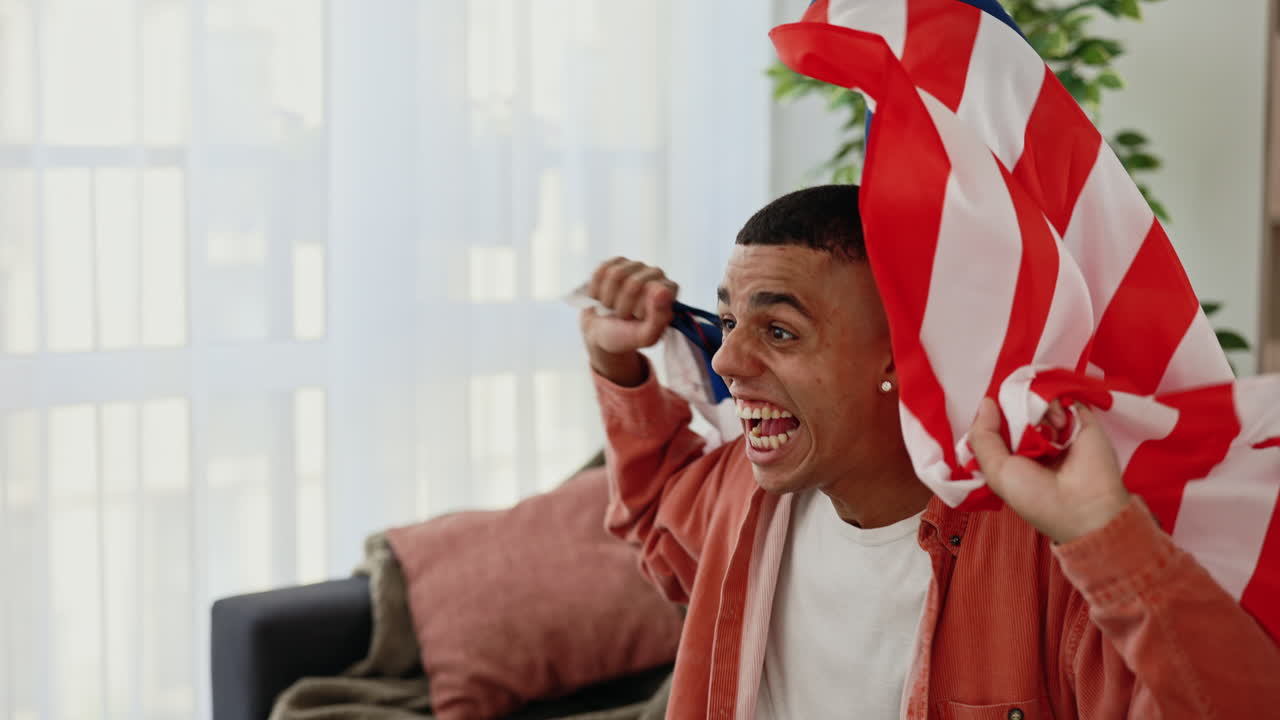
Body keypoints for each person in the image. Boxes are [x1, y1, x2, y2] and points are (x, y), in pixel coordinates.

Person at [578, 184, 1280, 719]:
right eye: (729, 320)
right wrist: (617, 367)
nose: (726, 359)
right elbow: (658, 520)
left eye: (780, 331)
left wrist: (1110, 542)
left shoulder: (1052, 553)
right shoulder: (745, 492)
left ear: (902, 355)